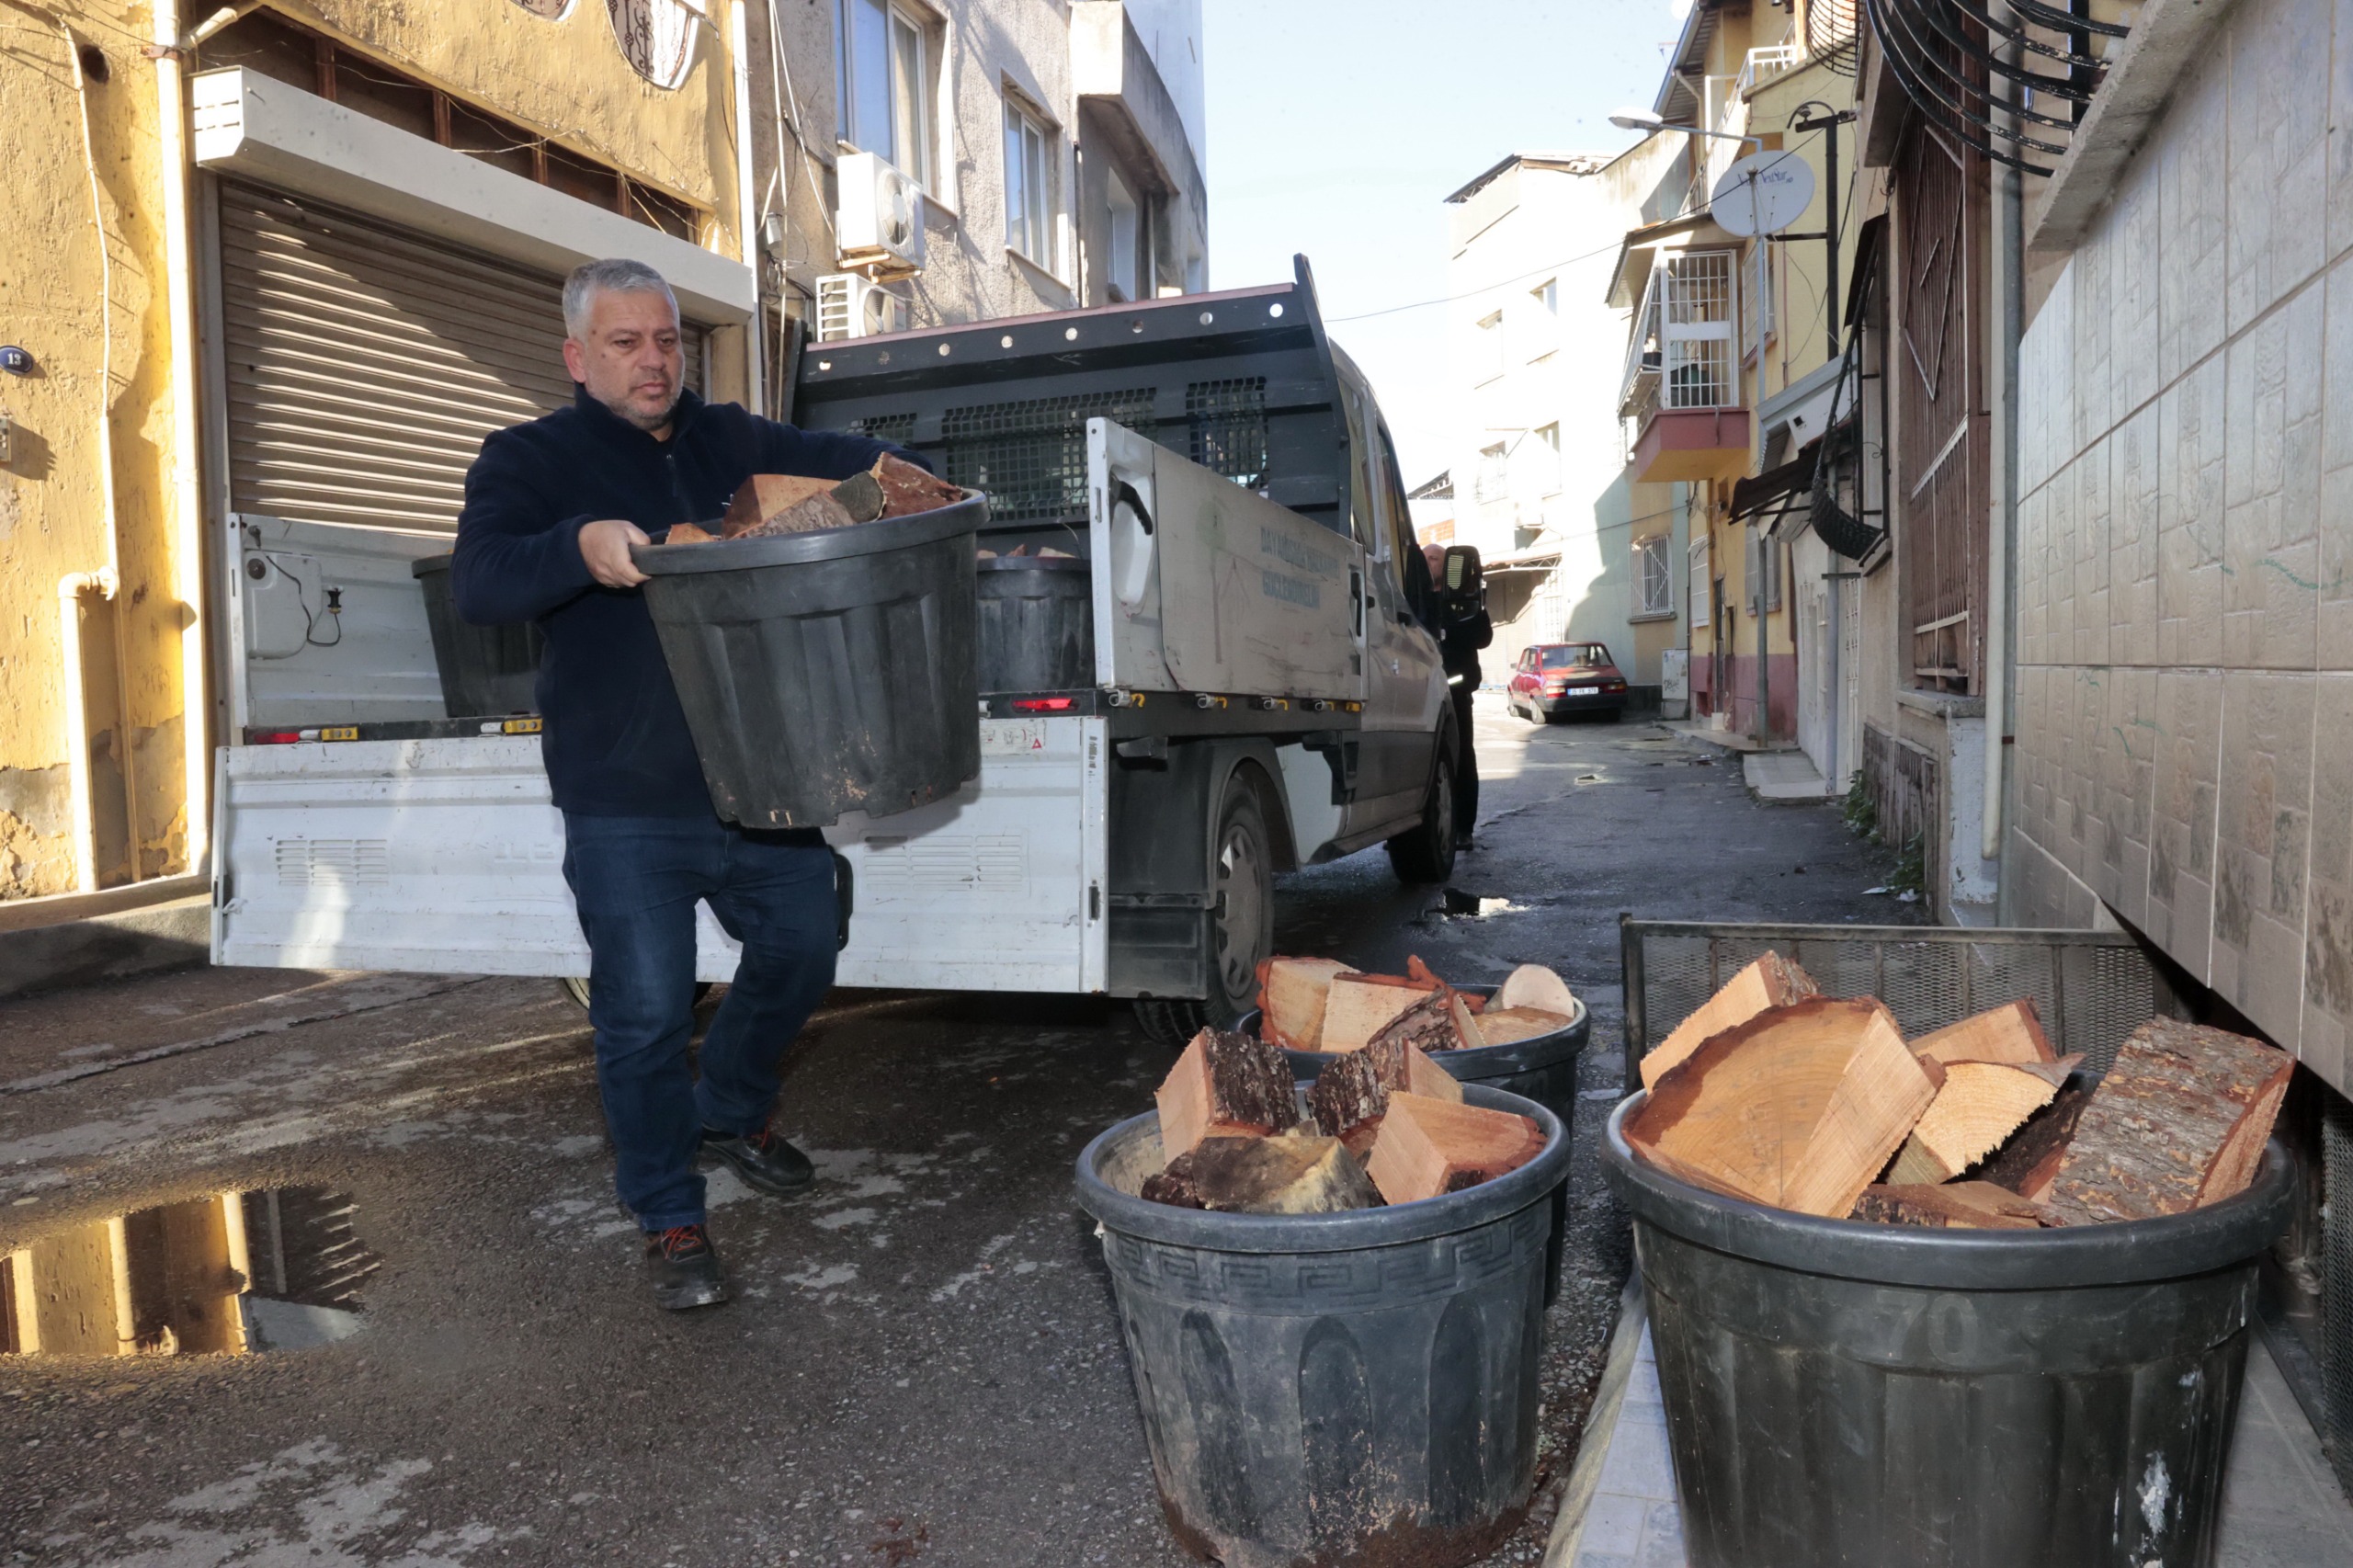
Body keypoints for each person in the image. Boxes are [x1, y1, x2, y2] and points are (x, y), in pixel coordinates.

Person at [452, 258, 921, 1311]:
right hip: (623, 793)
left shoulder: (735, 440)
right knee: (646, 1008)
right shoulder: (529, 457)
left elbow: (864, 464)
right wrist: (579, 544)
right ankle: (670, 1215)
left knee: (806, 942)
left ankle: (735, 1102)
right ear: (578, 357)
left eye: (666, 340)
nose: (654, 360)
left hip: (763, 777)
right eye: (626, 343)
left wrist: (921, 481)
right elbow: (479, 579)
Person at [1423, 545, 1492, 845]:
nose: (1428, 563)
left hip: (1456, 693)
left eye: (1434, 558)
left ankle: (1464, 828)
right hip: (1421, 692)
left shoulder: (1465, 599)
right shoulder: (1415, 598)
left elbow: (1483, 638)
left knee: (1462, 758)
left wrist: (1460, 621)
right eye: (1424, 558)